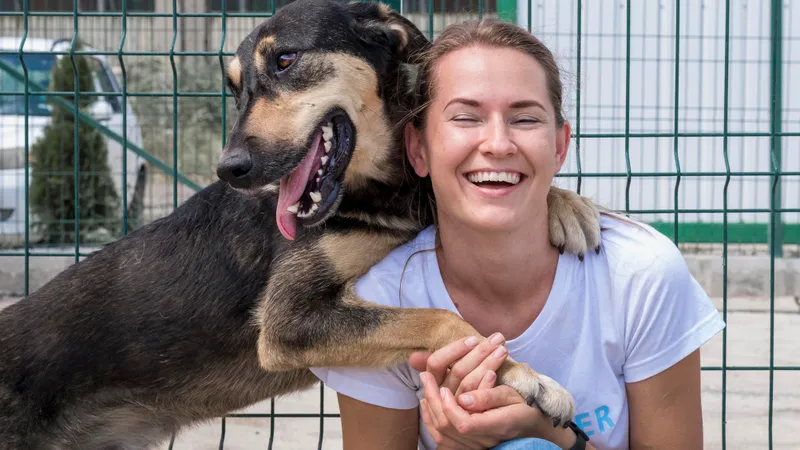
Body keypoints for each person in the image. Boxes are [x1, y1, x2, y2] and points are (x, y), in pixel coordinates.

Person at [310, 17, 725, 450]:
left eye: (525, 119)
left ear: (560, 147)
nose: (498, 143)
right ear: (418, 149)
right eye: (466, 117)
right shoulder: (384, 300)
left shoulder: (640, 273)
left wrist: (553, 435)